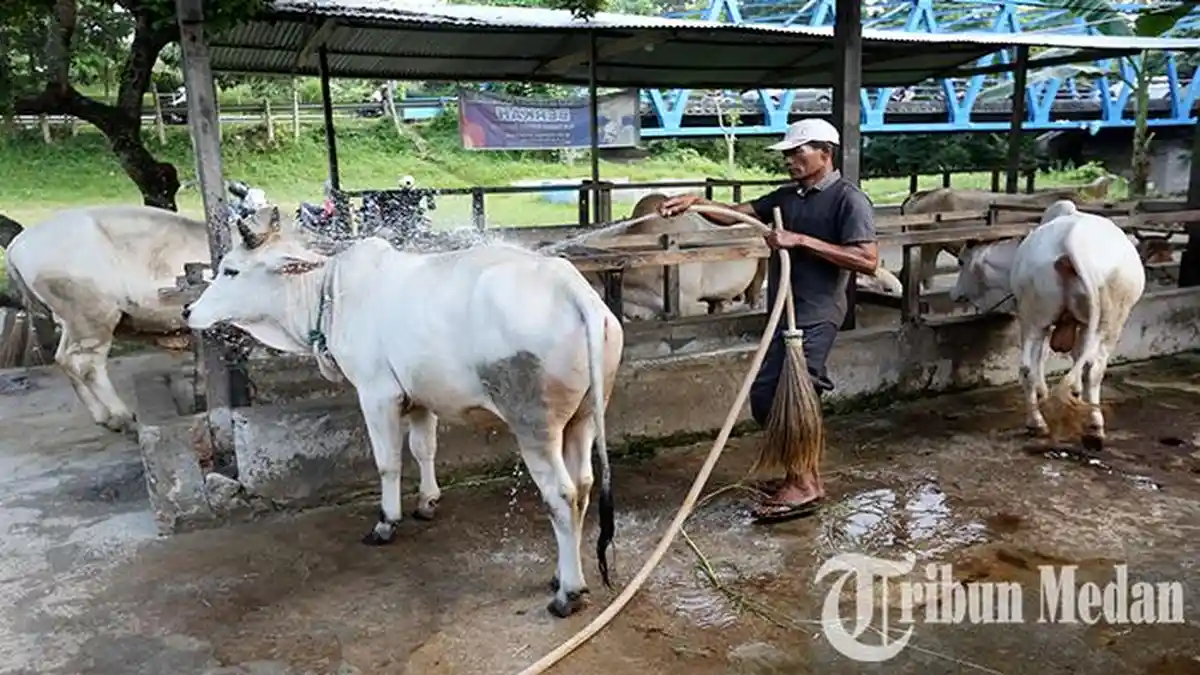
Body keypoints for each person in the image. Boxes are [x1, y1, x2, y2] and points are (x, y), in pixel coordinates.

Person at [658, 118, 880, 524]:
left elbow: (867, 259)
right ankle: (805, 476)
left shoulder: (849, 200)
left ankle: (802, 483)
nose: (790, 160)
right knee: (765, 396)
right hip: (784, 306)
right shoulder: (788, 196)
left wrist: (799, 241)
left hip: (817, 311)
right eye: (788, 154)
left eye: (798, 152)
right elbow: (735, 215)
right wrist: (696, 202)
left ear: (824, 154)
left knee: (798, 392)